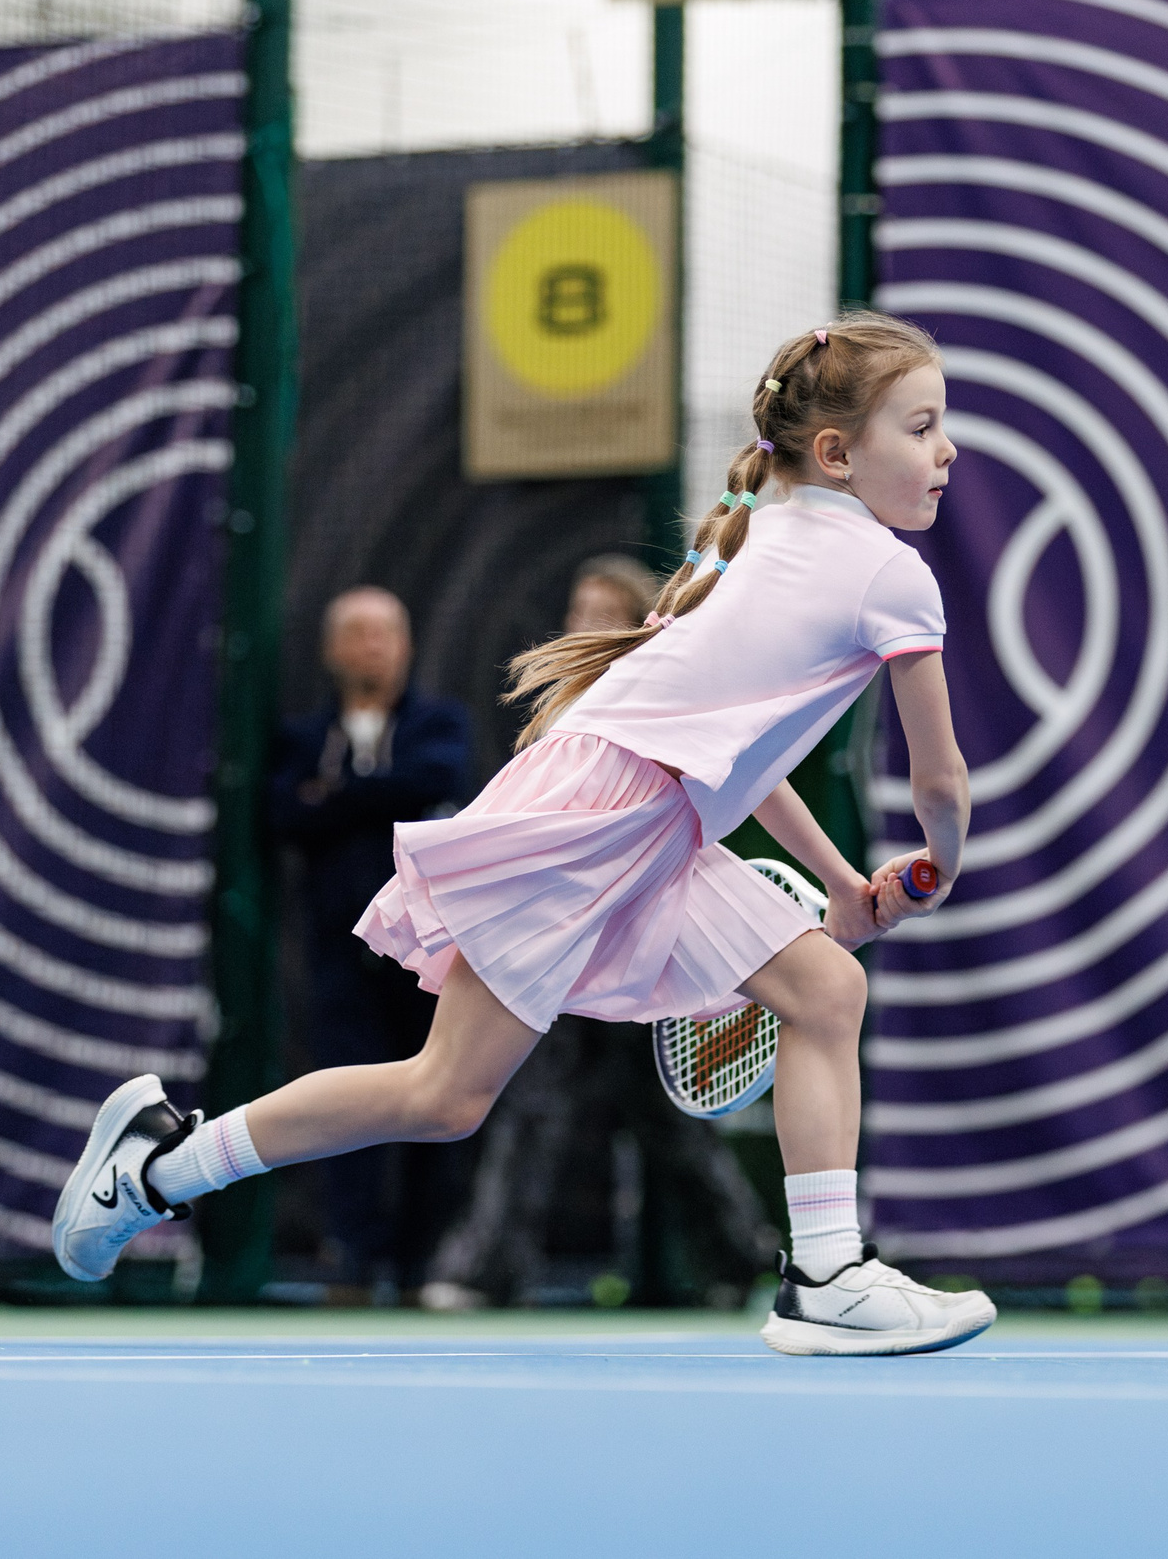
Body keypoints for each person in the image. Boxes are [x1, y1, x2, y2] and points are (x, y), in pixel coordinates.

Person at [57, 312, 989, 1356]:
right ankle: (158, 1167)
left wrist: (844, 883)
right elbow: (939, 780)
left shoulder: (756, 538)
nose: (945, 450)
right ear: (836, 453)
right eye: (920, 427)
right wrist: (940, 864)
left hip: (652, 814)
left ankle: (825, 1276)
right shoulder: (887, 575)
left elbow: (739, 755)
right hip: (600, 815)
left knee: (825, 989)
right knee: (444, 1093)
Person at [418, 551, 777, 1311]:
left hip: (646, 940)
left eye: (603, 613)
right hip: (563, 942)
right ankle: (486, 1272)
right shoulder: (560, 711)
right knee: (529, 1105)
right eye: (578, 611)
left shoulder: (664, 701)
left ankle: (740, 1262)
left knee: (669, 1119)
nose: (585, 625)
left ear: (639, 624)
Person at [265, 586, 472, 1295]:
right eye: (356, 632)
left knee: (435, 1104)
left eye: (384, 632)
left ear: (406, 645)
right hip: (336, 958)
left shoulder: (440, 723)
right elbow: (284, 811)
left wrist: (338, 794)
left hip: (427, 957)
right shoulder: (302, 738)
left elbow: (439, 782)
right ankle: (351, 1258)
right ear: (331, 650)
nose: (371, 646)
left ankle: (417, 1267)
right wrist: (381, 795)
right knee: (344, 1102)